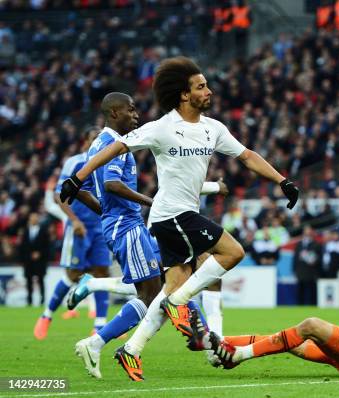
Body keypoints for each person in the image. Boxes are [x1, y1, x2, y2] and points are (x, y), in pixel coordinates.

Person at [59, 57, 299, 379]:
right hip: (172, 216)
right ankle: (182, 303)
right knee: (232, 252)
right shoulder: (162, 127)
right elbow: (117, 147)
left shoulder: (213, 129)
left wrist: (282, 181)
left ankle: (131, 350)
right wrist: (79, 176)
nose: (209, 91)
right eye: (201, 86)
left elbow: (247, 156)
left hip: (181, 215)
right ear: (185, 95)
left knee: (166, 290)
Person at [65, 92, 214, 380]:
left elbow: (81, 190)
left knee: (162, 285)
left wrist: (106, 215)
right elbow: (111, 184)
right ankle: (96, 343)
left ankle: (202, 336)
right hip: (128, 226)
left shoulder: (96, 145)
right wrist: (150, 202)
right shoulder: (113, 145)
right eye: (130, 110)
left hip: (122, 224)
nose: (136, 115)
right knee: (151, 294)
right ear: (114, 114)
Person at [33, 128, 112, 341]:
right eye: (94, 139)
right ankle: (46, 315)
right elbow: (60, 195)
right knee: (73, 273)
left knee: (102, 272)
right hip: (79, 226)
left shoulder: (109, 164)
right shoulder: (75, 162)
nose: (98, 144)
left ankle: (99, 326)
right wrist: (74, 220)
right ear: (85, 142)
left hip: (101, 227)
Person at [19, 212, 51, 307]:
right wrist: (28, 255)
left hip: (40, 261)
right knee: (28, 281)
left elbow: (47, 246)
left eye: (35, 217)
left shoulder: (44, 231)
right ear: (29, 219)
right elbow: (23, 246)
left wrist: (40, 253)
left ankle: (42, 300)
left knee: (41, 280)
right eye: (32, 218)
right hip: (28, 261)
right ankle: (29, 300)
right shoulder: (25, 231)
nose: (34, 219)